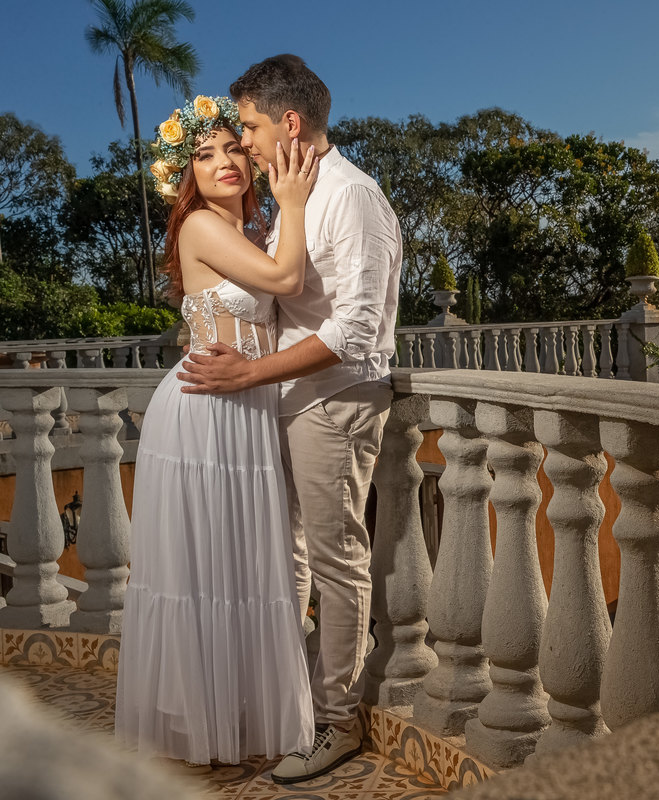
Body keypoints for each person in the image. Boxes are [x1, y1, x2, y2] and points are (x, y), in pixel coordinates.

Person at [177, 55, 404, 785]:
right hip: (287, 399)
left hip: (334, 400)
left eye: (248, 127)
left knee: (337, 561)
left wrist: (247, 373)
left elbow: (356, 332)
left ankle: (337, 722)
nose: (242, 142)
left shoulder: (353, 198)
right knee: (294, 558)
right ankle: (299, 704)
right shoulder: (295, 196)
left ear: (291, 124)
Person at [115, 95, 320, 769]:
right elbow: (286, 278)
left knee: (241, 562)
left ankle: (235, 710)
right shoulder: (202, 226)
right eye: (204, 155)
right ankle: (205, 720)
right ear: (187, 179)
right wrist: (293, 200)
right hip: (205, 409)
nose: (225, 162)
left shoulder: (250, 231)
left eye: (234, 148)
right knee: (208, 565)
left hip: (244, 404)